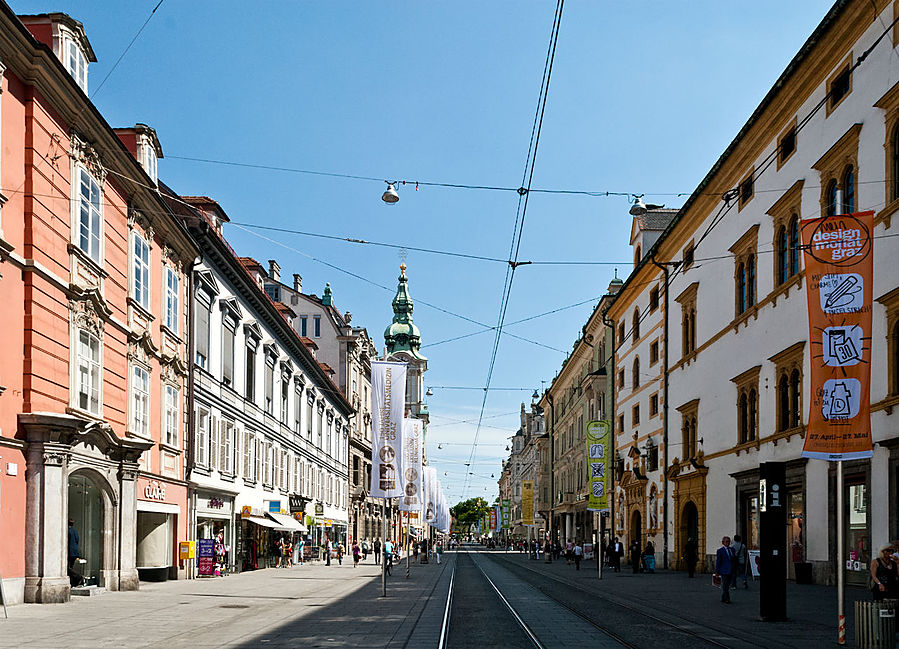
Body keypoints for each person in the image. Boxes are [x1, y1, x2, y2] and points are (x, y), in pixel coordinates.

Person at [714, 536, 735, 604]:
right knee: (725, 585)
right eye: (726, 541)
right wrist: (717, 572)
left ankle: (723, 597)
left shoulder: (732, 549)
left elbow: (733, 559)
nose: (728, 543)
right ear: (723, 543)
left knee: (727, 585)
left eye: (729, 541)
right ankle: (727, 599)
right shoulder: (720, 551)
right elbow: (718, 562)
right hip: (724, 570)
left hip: (731, 570)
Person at [67, 519, 82, 587]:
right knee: (71, 567)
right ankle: (73, 583)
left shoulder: (67, 531)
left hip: (69, 552)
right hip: (74, 552)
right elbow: (77, 541)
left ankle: (78, 577)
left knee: (67, 568)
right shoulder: (75, 532)